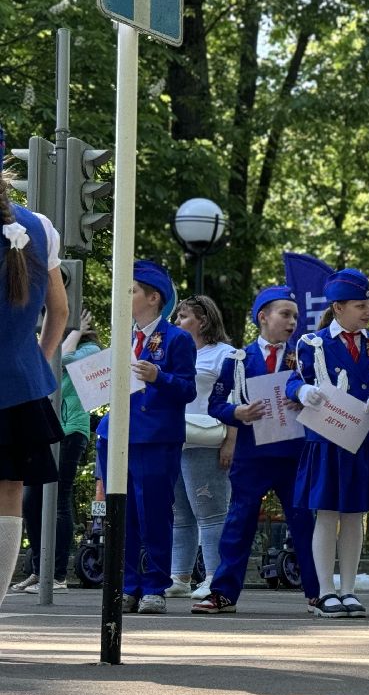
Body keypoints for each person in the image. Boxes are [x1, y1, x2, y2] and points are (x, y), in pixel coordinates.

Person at [197, 285, 321, 615]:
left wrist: (305, 402)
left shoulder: (305, 359)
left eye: (295, 316)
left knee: (303, 523)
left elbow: (323, 400)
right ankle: (223, 593)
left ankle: (317, 592)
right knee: (238, 522)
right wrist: (236, 413)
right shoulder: (238, 360)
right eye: (285, 314)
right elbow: (215, 404)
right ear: (263, 317)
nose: (292, 321)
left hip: (294, 455)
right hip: (252, 456)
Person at [95, 261, 197, 613]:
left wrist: (159, 376)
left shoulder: (176, 338)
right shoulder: (121, 333)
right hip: (116, 434)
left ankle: (154, 585)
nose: (126, 297)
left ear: (154, 298)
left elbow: (187, 389)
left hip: (154, 438)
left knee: (154, 513)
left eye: (132, 290)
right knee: (121, 515)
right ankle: (126, 585)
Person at [287, 268, 369, 617]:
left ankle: (348, 590)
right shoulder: (311, 344)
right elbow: (291, 380)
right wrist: (302, 390)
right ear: (338, 307)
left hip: (360, 438)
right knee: (327, 514)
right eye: (360, 305)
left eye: (368, 304)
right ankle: (326, 590)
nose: (368, 311)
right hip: (326, 439)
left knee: (355, 514)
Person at [0, 137, 69, 611]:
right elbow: (60, 311)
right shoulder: (38, 227)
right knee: (9, 492)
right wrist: (39, 361)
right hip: (20, 385)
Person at [13, 310, 101, 595]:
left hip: (70, 431)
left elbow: (56, 363)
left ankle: (57, 574)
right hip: (44, 428)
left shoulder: (90, 350)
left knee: (59, 499)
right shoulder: (52, 342)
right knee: (31, 502)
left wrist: (72, 331)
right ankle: (40, 572)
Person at [168, 295, 234, 599]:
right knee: (180, 513)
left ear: (203, 320)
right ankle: (179, 577)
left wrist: (230, 442)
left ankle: (213, 577)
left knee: (210, 512)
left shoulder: (226, 354)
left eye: (183, 317)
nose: (177, 323)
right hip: (175, 438)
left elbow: (235, 399)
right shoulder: (176, 351)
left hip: (208, 440)